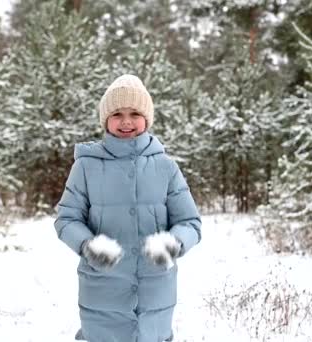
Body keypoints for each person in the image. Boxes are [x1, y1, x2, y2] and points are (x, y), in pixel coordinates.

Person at [54, 74, 202, 342]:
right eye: (117, 113)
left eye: (134, 112)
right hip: (101, 294)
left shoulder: (166, 167)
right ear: (105, 119)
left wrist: (174, 242)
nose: (126, 121)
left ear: (147, 117)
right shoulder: (86, 167)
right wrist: (88, 245)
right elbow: (66, 219)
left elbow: (190, 222)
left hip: (155, 294)